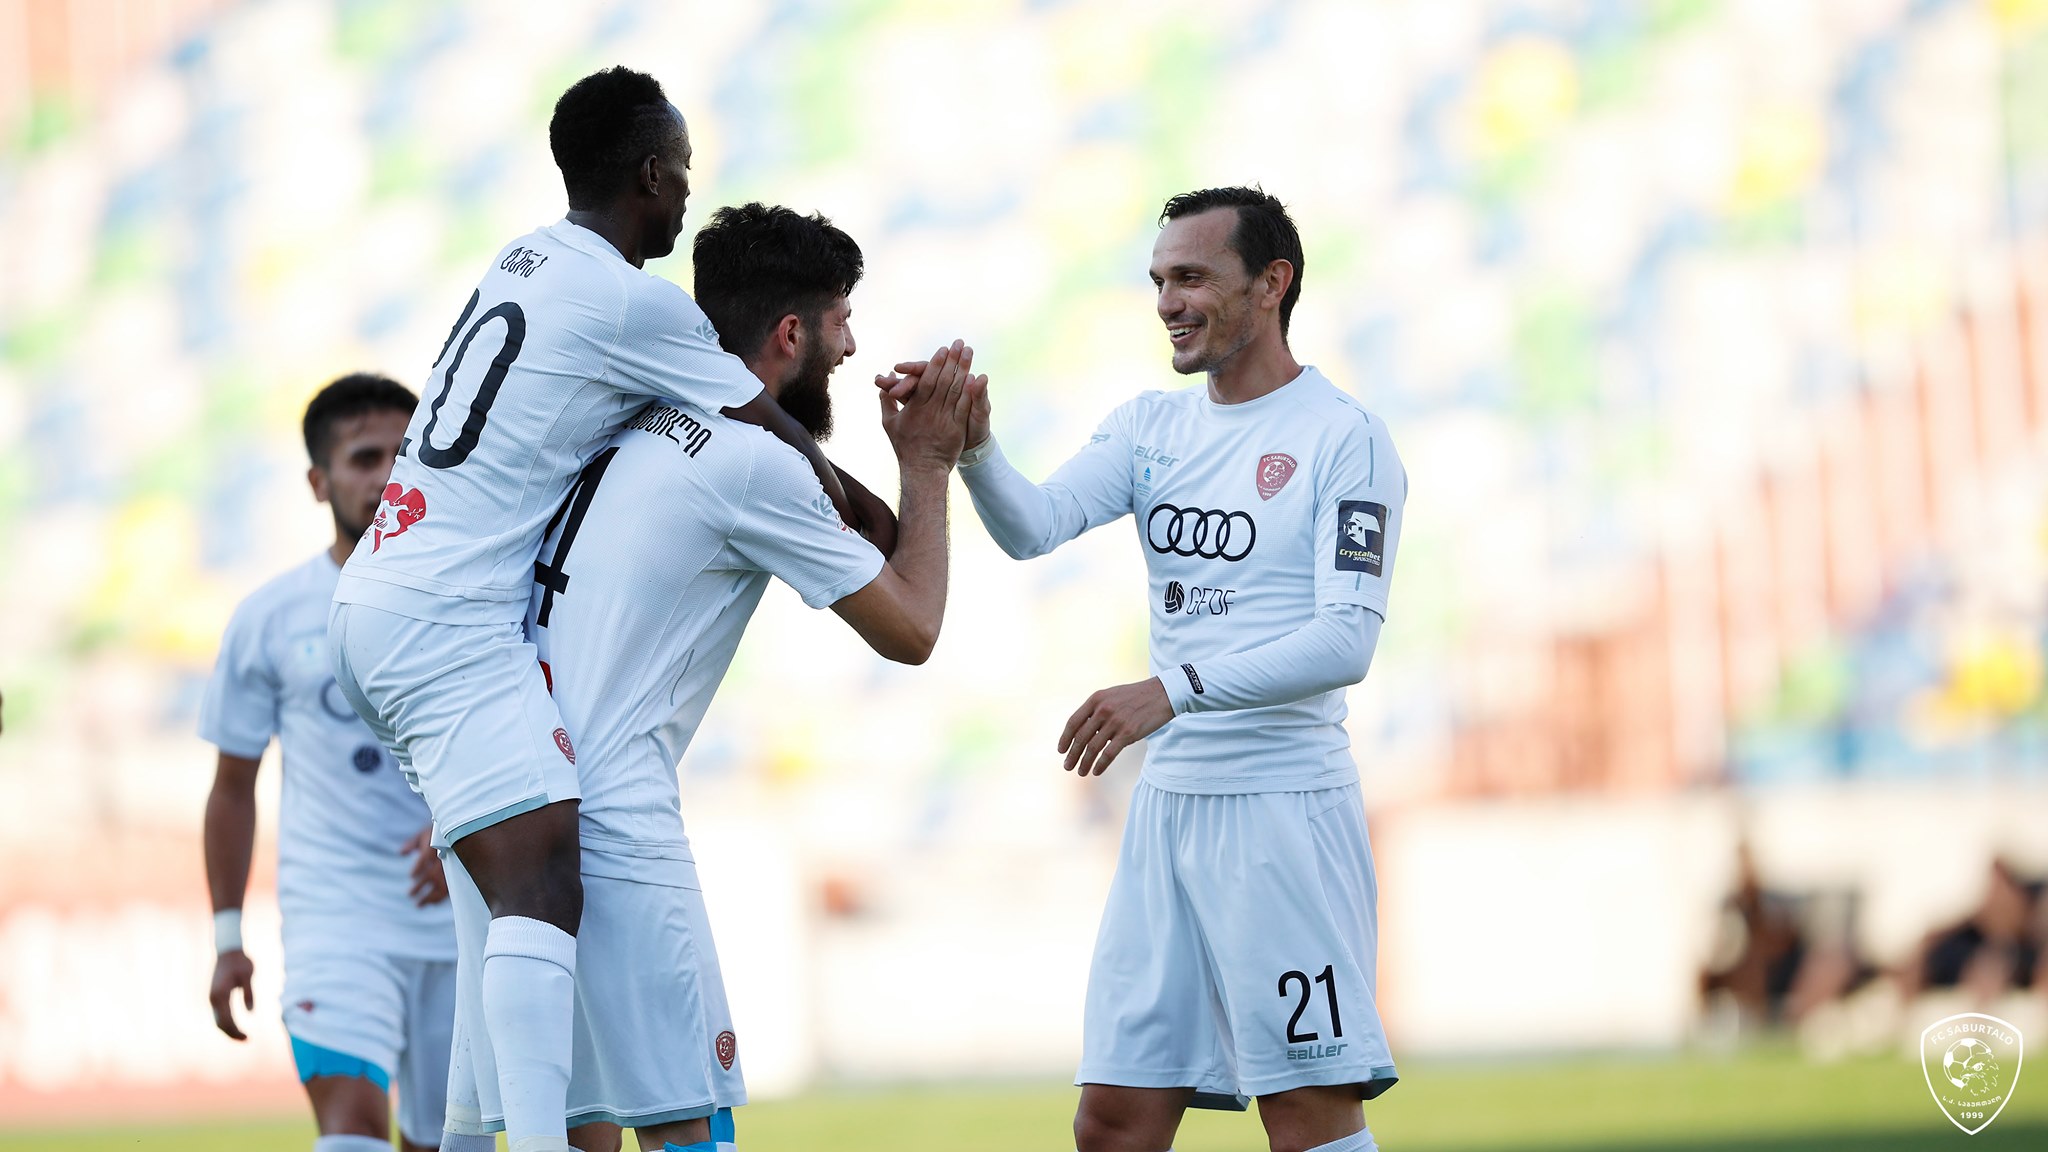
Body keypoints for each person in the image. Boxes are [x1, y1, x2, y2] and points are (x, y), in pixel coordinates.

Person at [325, 68, 867, 1152]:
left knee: (497, 904)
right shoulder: (637, 305)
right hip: (445, 618)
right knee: (542, 873)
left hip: (382, 594)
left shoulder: (523, 258)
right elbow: (776, 435)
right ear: (652, 175)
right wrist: (883, 508)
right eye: (683, 172)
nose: (688, 195)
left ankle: (474, 1139)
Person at [439, 202, 980, 1152]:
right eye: (842, 321)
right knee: (688, 1134)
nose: (853, 347)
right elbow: (913, 627)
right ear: (791, 334)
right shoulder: (752, 463)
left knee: (571, 1131)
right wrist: (928, 462)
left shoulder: (623, 417)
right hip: (614, 828)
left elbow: (862, 529)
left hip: (515, 804)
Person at [918, 187, 1405, 1152]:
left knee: (1308, 1119)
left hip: (1281, 812)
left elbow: (1345, 642)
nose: (1168, 303)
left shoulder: (1343, 437)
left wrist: (1173, 691)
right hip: (1169, 814)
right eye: (1159, 281)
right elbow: (1034, 525)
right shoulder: (1151, 428)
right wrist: (976, 450)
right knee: (1113, 1122)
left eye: (1191, 278)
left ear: (1272, 283)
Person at [201, 374, 456, 1152]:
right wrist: (227, 937)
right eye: (364, 457)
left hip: (463, 917)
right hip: (335, 922)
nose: (387, 476)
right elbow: (232, 787)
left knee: (442, 1143)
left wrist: (461, 826)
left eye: (403, 454)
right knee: (352, 1134)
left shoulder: (475, 597)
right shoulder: (270, 618)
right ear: (320, 482)